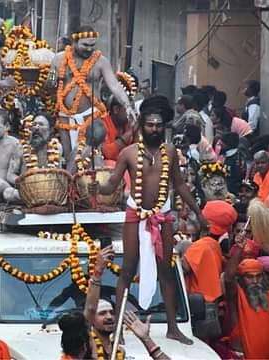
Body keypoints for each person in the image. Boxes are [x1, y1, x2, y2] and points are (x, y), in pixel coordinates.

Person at [92, 98, 208, 344]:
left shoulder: (171, 153)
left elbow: (179, 185)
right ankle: (120, 331)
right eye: (150, 125)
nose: (154, 129)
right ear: (142, 126)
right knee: (127, 271)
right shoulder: (128, 153)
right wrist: (97, 187)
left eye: (158, 125)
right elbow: (112, 184)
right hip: (135, 216)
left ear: (164, 127)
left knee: (166, 271)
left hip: (162, 217)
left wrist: (198, 212)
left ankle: (173, 328)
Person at [52, 25, 136, 162]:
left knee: (90, 157)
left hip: (90, 115)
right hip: (65, 115)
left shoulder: (101, 61)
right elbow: (50, 87)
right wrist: (50, 82)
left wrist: (127, 105)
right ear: (74, 42)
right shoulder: (58, 59)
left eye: (93, 45)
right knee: (68, 157)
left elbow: (114, 85)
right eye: (85, 45)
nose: (89, 49)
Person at [182, 200, 236, 339]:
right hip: (210, 309)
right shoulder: (214, 245)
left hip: (198, 311)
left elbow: (183, 268)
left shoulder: (201, 246)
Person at [223, 258, 269, 359]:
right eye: (250, 277)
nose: (255, 281)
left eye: (258, 276)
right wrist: (239, 248)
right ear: (241, 278)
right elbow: (228, 279)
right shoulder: (236, 295)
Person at [101, 95, 135, 161]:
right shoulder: (103, 124)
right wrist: (130, 132)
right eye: (128, 109)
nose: (131, 113)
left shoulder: (129, 123)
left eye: (133, 109)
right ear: (116, 110)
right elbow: (107, 153)